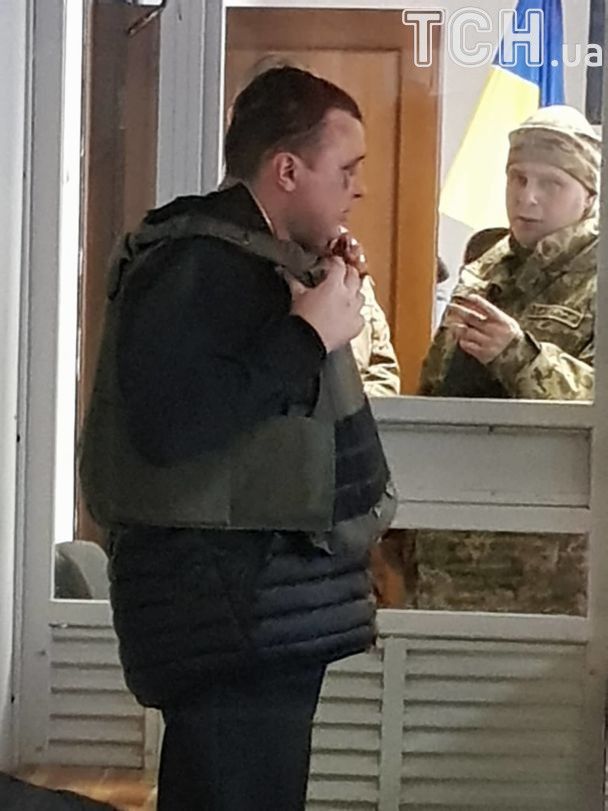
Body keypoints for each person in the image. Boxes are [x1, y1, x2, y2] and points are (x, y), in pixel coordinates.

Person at [79, 66, 395, 811]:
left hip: (253, 612)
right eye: (345, 171)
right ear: (287, 170)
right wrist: (307, 334)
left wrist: (318, 302)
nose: (357, 190)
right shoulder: (198, 262)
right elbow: (173, 422)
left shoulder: (256, 260)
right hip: (230, 617)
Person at [406, 105, 599, 614]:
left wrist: (520, 357)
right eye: (518, 178)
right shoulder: (484, 266)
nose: (527, 197)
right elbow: (435, 388)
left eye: (551, 183)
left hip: (548, 574)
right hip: (448, 554)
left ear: (588, 194)